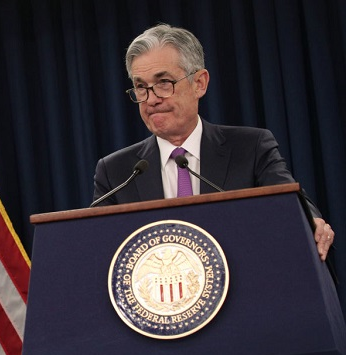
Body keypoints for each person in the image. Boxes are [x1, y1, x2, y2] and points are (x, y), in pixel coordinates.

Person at [92, 23, 334, 261]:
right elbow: (96, 246)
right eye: (141, 87)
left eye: (164, 83)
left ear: (199, 83)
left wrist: (311, 221)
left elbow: (291, 203)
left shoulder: (251, 147)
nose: (151, 99)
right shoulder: (116, 173)